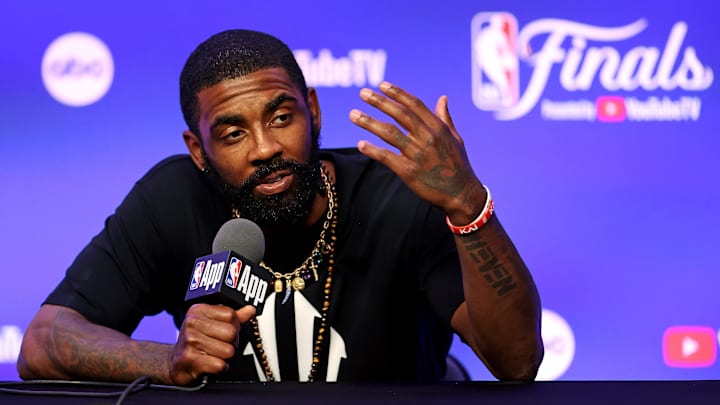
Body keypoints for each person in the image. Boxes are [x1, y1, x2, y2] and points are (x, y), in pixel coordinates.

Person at [17, 29, 543, 385]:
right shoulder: (172, 199)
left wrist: (467, 203)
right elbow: (42, 343)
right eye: (232, 132)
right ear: (198, 150)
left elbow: (518, 361)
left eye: (281, 117)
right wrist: (165, 359)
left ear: (312, 110)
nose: (266, 147)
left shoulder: (396, 195)